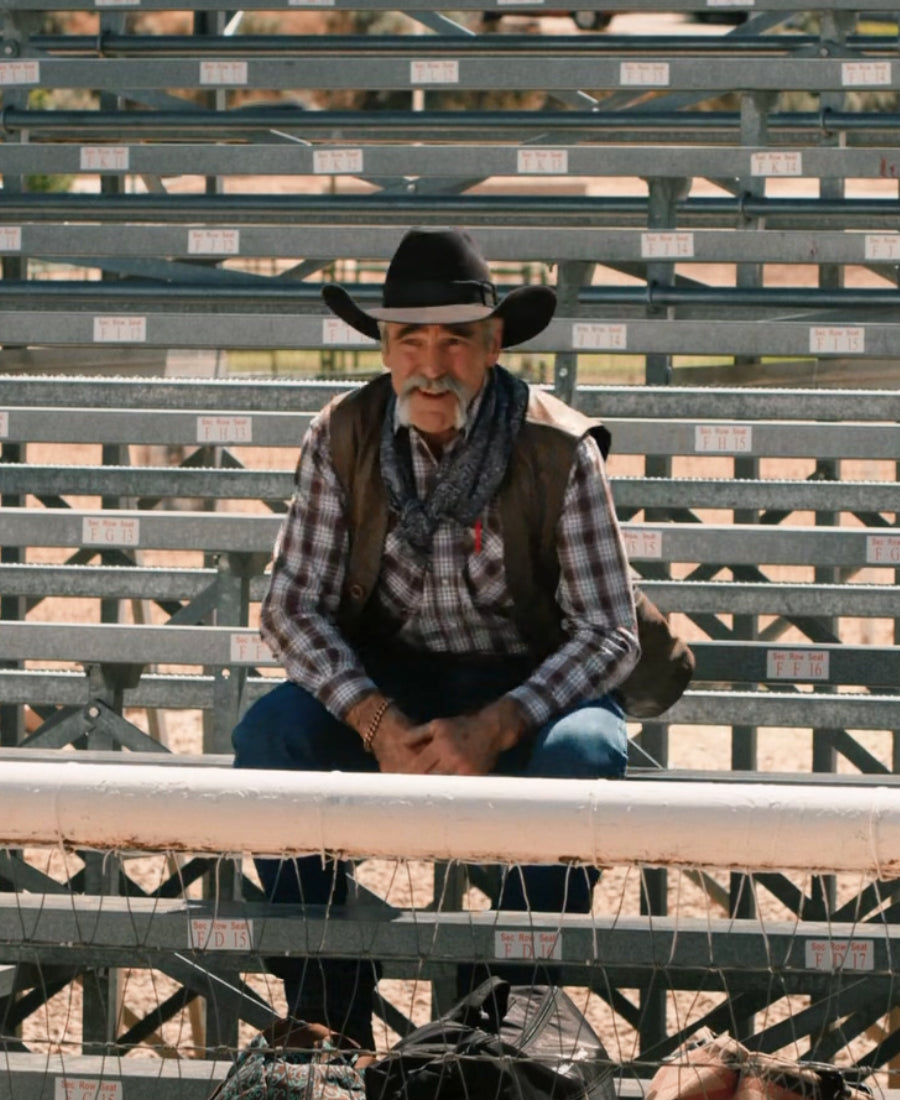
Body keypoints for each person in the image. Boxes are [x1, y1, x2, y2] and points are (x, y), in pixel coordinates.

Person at [232, 226, 640, 1049]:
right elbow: (289, 608)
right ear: (384, 348)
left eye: (456, 340)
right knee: (269, 736)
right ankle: (326, 1005)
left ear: (493, 346)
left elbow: (609, 632)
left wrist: (498, 724)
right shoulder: (339, 435)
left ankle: (512, 1019)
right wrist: (373, 719)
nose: (432, 363)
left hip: (527, 690)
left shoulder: (560, 448)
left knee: (587, 755)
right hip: (386, 686)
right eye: (410, 339)